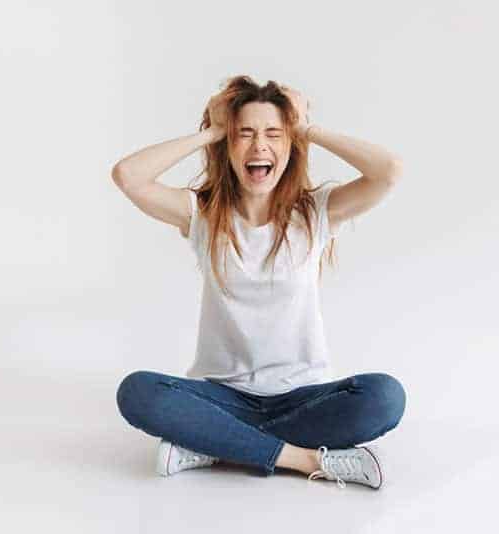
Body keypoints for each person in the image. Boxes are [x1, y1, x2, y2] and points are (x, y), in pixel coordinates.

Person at [111, 75, 406, 490]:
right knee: (138, 392)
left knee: (385, 397)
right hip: (221, 397)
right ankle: (301, 458)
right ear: (227, 147)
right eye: (243, 134)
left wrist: (307, 127)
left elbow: (389, 172)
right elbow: (128, 176)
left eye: (273, 134)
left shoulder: (316, 213)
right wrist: (213, 128)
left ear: (290, 145)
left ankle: (215, 444)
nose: (258, 146)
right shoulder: (203, 215)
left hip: (304, 396)